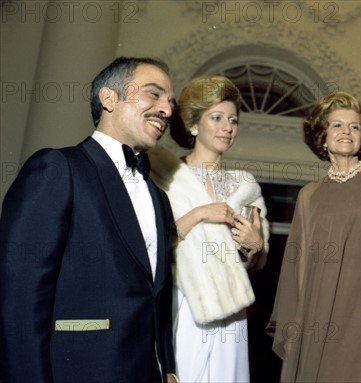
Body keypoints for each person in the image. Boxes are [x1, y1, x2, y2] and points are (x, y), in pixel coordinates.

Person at [0, 57, 178, 382]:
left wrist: (167, 368)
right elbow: (19, 300)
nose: (167, 109)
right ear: (108, 98)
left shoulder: (159, 198)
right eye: (154, 94)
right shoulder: (58, 169)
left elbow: (157, 301)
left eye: (170, 101)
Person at [268, 91, 361, 382]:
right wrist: (294, 328)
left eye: (354, 126)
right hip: (318, 318)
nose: (346, 131)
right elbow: (299, 265)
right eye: (337, 125)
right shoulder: (308, 194)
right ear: (322, 136)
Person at [148, 75, 269, 383]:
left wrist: (256, 246)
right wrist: (200, 214)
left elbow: (255, 263)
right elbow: (151, 242)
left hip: (231, 310)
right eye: (216, 118)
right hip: (184, 303)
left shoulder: (245, 185)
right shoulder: (165, 176)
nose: (227, 127)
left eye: (233, 120)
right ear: (193, 124)